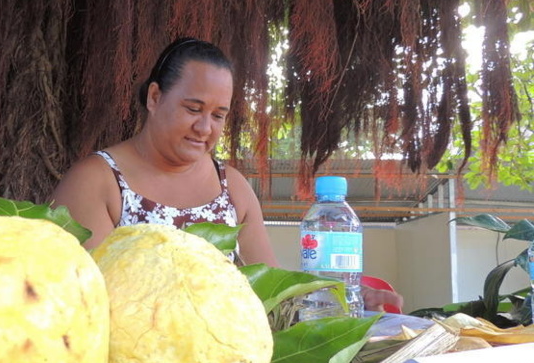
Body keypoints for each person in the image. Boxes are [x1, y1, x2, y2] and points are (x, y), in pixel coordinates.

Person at [50, 37, 403, 313]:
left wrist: (341, 297)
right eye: (193, 108)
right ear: (155, 97)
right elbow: (95, 300)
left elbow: (272, 287)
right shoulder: (97, 180)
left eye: (218, 115)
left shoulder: (230, 186)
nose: (205, 127)